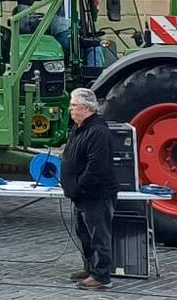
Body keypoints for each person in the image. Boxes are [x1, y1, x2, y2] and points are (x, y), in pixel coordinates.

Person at [60, 87, 117, 291]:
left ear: (85, 107)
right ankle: (91, 268)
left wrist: (79, 186)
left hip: (95, 195)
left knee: (98, 235)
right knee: (84, 234)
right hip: (81, 195)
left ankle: (102, 276)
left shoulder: (98, 132)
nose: (70, 110)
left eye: (73, 106)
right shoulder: (79, 129)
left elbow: (97, 167)